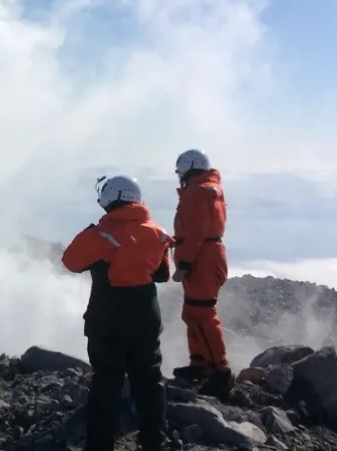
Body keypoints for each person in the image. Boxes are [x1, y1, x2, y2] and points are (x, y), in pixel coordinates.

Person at [62, 175, 171, 451]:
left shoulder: (101, 235)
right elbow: (162, 274)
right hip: (146, 315)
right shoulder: (157, 232)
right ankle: (154, 442)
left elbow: (71, 262)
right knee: (149, 381)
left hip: (108, 318)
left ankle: (100, 445)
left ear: (111, 198)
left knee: (106, 384)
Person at [169, 149, 233, 397]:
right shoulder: (210, 189)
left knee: (203, 314)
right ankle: (200, 364)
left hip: (201, 259)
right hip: (209, 255)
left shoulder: (196, 192)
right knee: (193, 312)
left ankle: (220, 371)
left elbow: (195, 231)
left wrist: (184, 262)